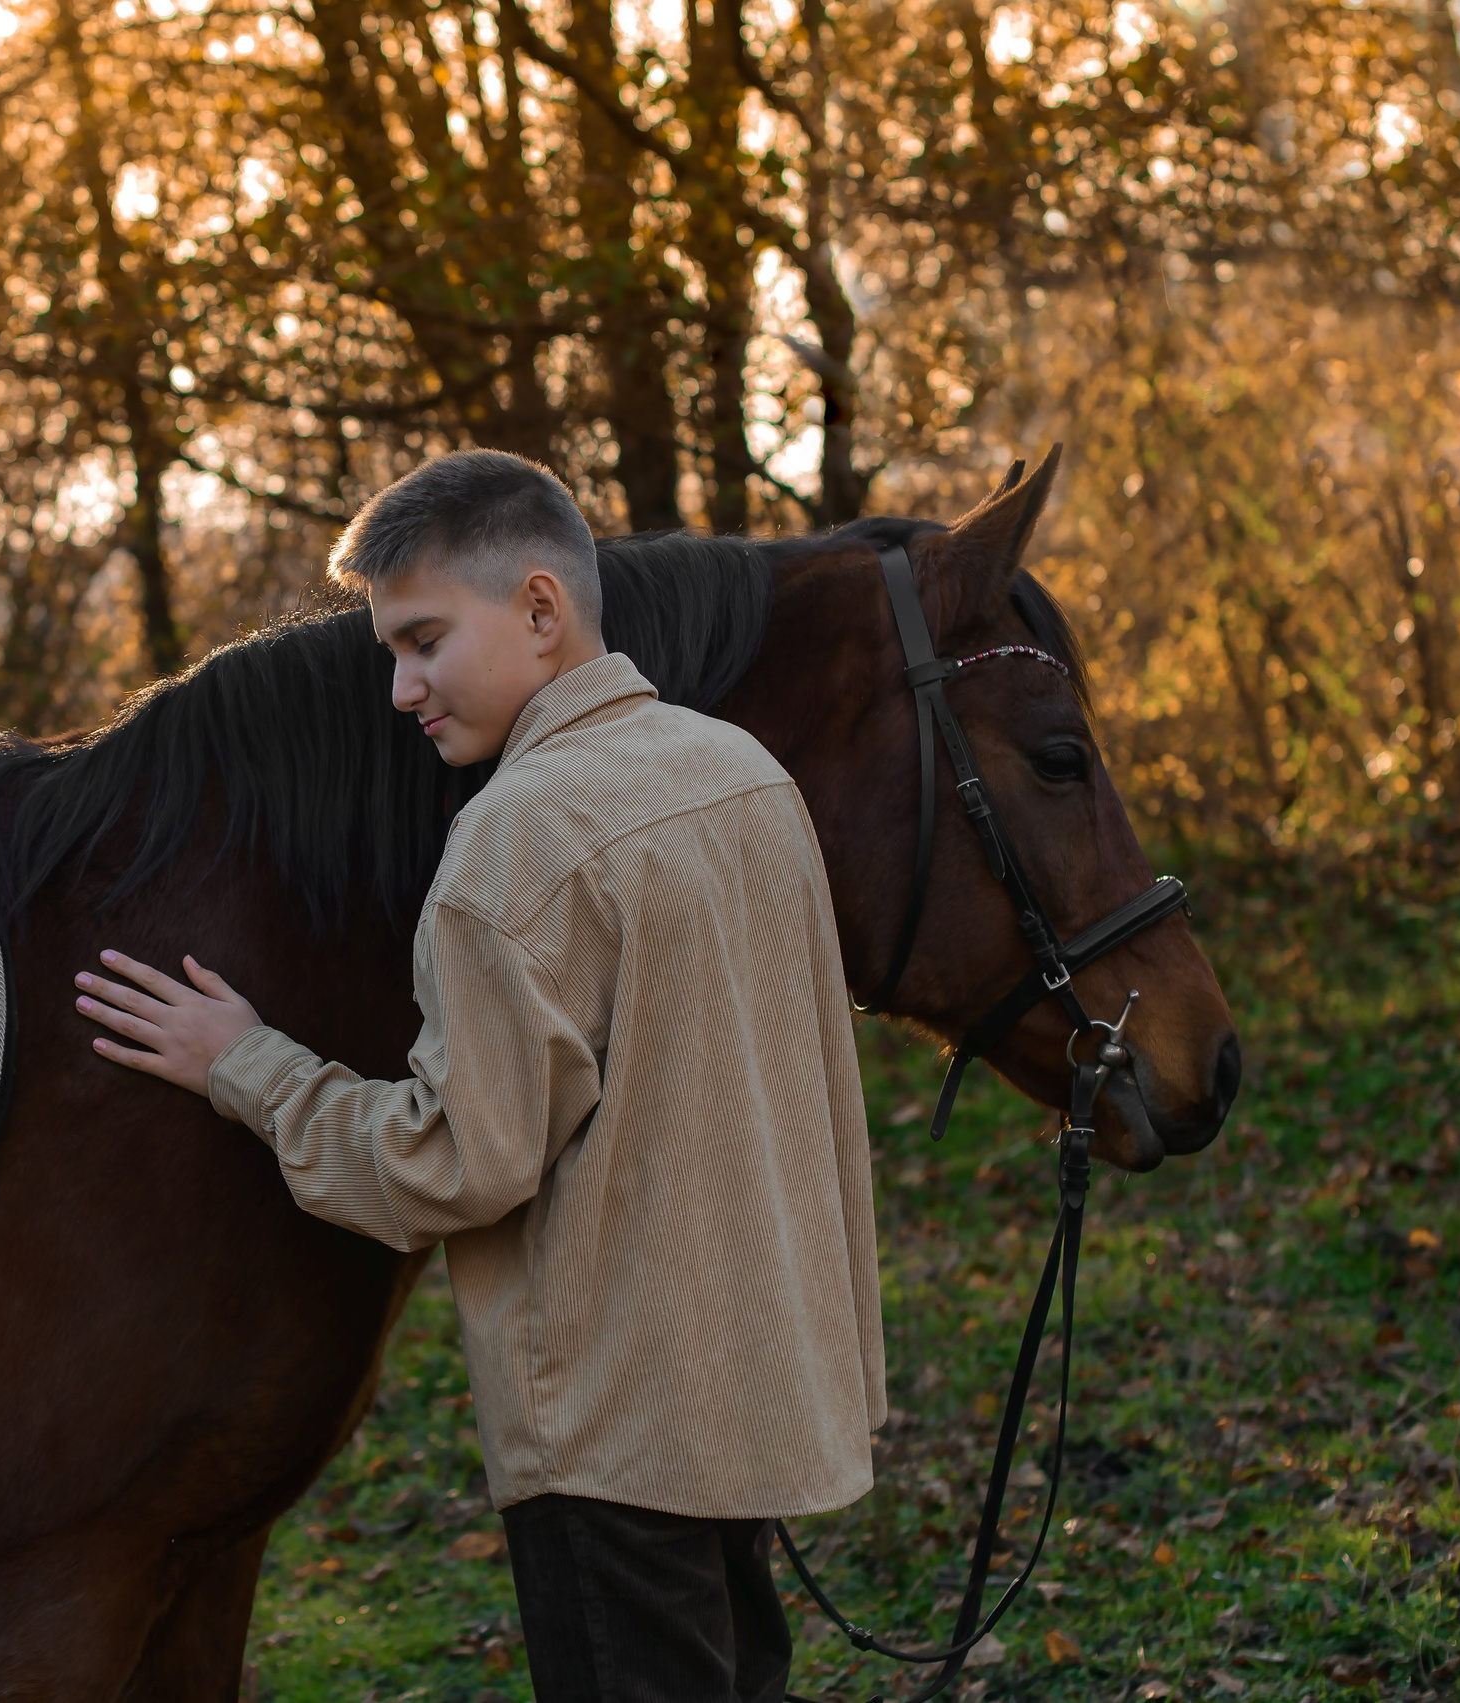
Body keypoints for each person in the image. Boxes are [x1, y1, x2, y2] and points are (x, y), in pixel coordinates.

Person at [73, 449, 884, 1702]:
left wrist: (246, 1064)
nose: (399, 689)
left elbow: (456, 1161)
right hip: (753, 1392)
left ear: (543, 609)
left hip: (614, 1433)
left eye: (422, 641)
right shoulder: (740, 772)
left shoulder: (519, 836)